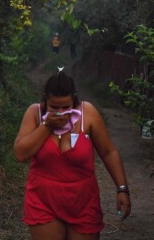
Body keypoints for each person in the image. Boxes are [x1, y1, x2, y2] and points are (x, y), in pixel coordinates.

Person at [14, 69, 131, 239]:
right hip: (43, 201)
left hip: (83, 202)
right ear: (45, 100)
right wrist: (47, 126)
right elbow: (20, 154)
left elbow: (108, 152)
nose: (61, 112)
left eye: (66, 107)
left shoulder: (87, 113)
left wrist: (122, 189)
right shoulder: (35, 113)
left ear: (74, 100)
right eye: (54, 107)